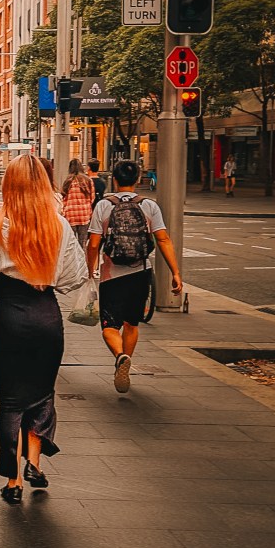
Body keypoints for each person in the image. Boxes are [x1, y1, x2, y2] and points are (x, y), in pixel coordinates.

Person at [0, 155, 88, 503]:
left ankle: (12, 481)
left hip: (9, 319)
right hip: (46, 318)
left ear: (7, 185)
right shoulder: (58, 224)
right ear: (44, 184)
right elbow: (75, 278)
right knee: (42, 395)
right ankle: (35, 463)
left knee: (10, 402)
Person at [86, 160, 182, 394]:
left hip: (111, 274)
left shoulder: (104, 205)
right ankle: (126, 359)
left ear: (114, 180)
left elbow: (94, 243)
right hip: (140, 272)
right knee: (131, 323)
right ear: (138, 180)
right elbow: (163, 240)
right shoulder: (149, 205)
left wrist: (91, 270)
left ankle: (120, 356)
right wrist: (175, 272)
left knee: (109, 326)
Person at [62, 158, 94, 248]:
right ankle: (82, 260)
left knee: (71, 243)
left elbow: (63, 198)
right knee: (82, 242)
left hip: (70, 215)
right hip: (84, 215)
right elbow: (92, 198)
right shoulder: (88, 180)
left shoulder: (68, 181)